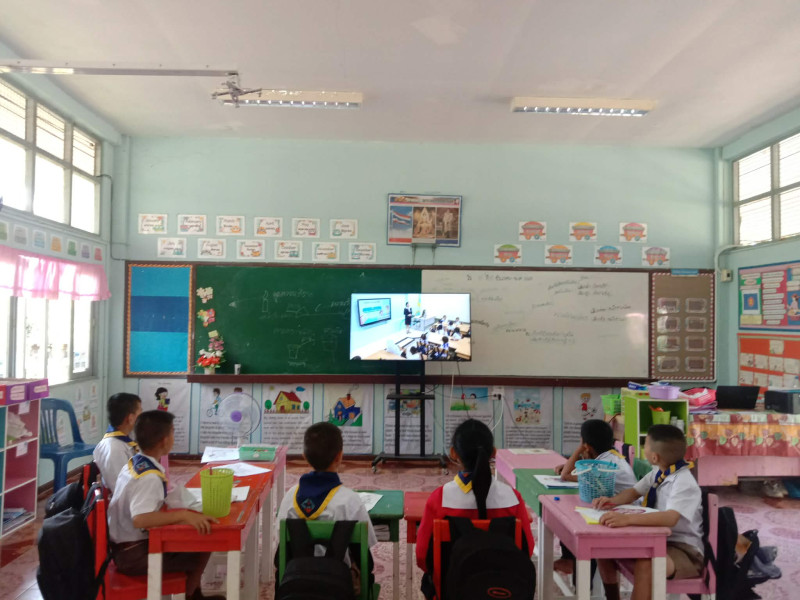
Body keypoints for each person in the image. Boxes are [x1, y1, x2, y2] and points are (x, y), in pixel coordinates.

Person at [108, 411, 224, 600]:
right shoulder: (149, 478)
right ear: (164, 440)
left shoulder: (136, 461)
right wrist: (184, 515)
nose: (173, 437)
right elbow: (140, 519)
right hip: (133, 556)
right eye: (172, 432)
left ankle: (193, 593)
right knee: (202, 544)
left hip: (126, 548)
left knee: (192, 537)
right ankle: (191, 596)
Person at [416, 419, 533, 598]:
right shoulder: (512, 499)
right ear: (493, 452)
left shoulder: (439, 499)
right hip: (505, 592)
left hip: (451, 593)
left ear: (453, 453)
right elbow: (527, 549)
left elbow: (423, 557)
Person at [592, 424, 703, 600]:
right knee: (604, 547)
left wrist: (627, 519)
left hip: (684, 549)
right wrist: (611, 501)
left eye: (646, 445)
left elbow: (670, 518)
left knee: (648, 563)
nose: (644, 449)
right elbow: (633, 492)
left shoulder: (684, 482)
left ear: (654, 456)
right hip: (653, 539)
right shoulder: (658, 472)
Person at [277, 423, 377, 588]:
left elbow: (280, 548)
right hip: (338, 586)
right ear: (339, 456)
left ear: (304, 457)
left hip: (297, 585)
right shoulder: (350, 500)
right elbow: (365, 553)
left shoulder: (289, 497)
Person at [553, 419, 637, 574]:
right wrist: (573, 461)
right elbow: (573, 471)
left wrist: (579, 450)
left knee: (575, 521)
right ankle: (569, 559)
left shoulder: (604, 464)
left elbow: (565, 476)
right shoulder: (609, 457)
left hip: (625, 513)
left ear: (587, 446)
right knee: (574, 515)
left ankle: (576, 569)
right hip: (619, 508)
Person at [93, 392, 142, 493]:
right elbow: (121, 489)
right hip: (124, 500)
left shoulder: (124, 439)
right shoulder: (114, 449)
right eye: (140, 413)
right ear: (130, 418)